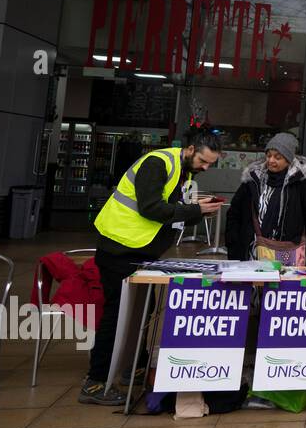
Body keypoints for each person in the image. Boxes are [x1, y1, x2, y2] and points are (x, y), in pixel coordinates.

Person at [81, 128, 223, 404]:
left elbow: (172, 209)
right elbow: (151, 208)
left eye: (210, 164)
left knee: (142, 312)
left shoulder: (183, 172)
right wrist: (195, 211)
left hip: (141, 252)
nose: (206, 167)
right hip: (119, 248)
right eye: (203, 161)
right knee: (118, 315)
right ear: (191, 150)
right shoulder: (158, 163)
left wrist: (195, 207)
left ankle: (134, 367)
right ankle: (96, 381)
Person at [225, 132, 306, 265]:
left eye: (277, 157)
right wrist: (233, 246)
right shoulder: (253, 179)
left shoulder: (303, 182)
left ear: (289, 159)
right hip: (252, 253)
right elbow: (235, 213)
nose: (271, 160)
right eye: (268, 155)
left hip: (290, 254)